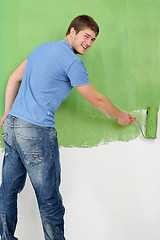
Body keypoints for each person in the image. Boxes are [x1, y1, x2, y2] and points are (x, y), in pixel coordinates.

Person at [0, 15, 132, 240]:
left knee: (8, 192)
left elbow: (14, 78)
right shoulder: (72, 62)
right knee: (49, 200)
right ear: (72, 31)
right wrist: (120, 116)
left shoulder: (41, 49)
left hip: (12, 127)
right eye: (86, 36)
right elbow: (97, 100)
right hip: (36, 131)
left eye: (93, 39)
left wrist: (6, 113)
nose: (89, 43)